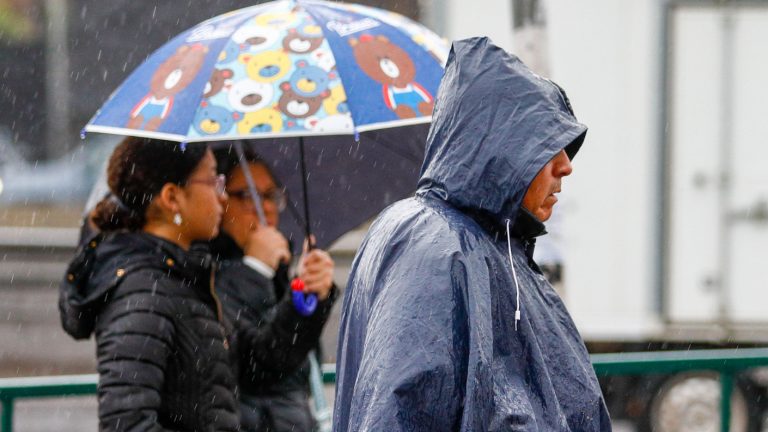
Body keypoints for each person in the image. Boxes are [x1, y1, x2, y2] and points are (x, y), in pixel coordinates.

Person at [333, 37, 612, 431]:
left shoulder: (487, 245)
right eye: (548, 145)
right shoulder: (436, 246)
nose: (566, 165)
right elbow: (402, 410)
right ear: (503, 146)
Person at [59, 137, 240, 430]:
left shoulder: (182, 275)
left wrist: (303, 302)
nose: (223, 197)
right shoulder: (143, 290)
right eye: (213, 181)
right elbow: (127, 423)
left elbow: (252, 365)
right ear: (171, 197)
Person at [210, 145, 337, 432]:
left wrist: (311, 294)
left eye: (271, 195)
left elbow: (291, 364)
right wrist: (254, 268)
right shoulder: (204, 275)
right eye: (247, 195)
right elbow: (257, 368)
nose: (264, 207)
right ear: (219, 200)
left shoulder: (277, 274)